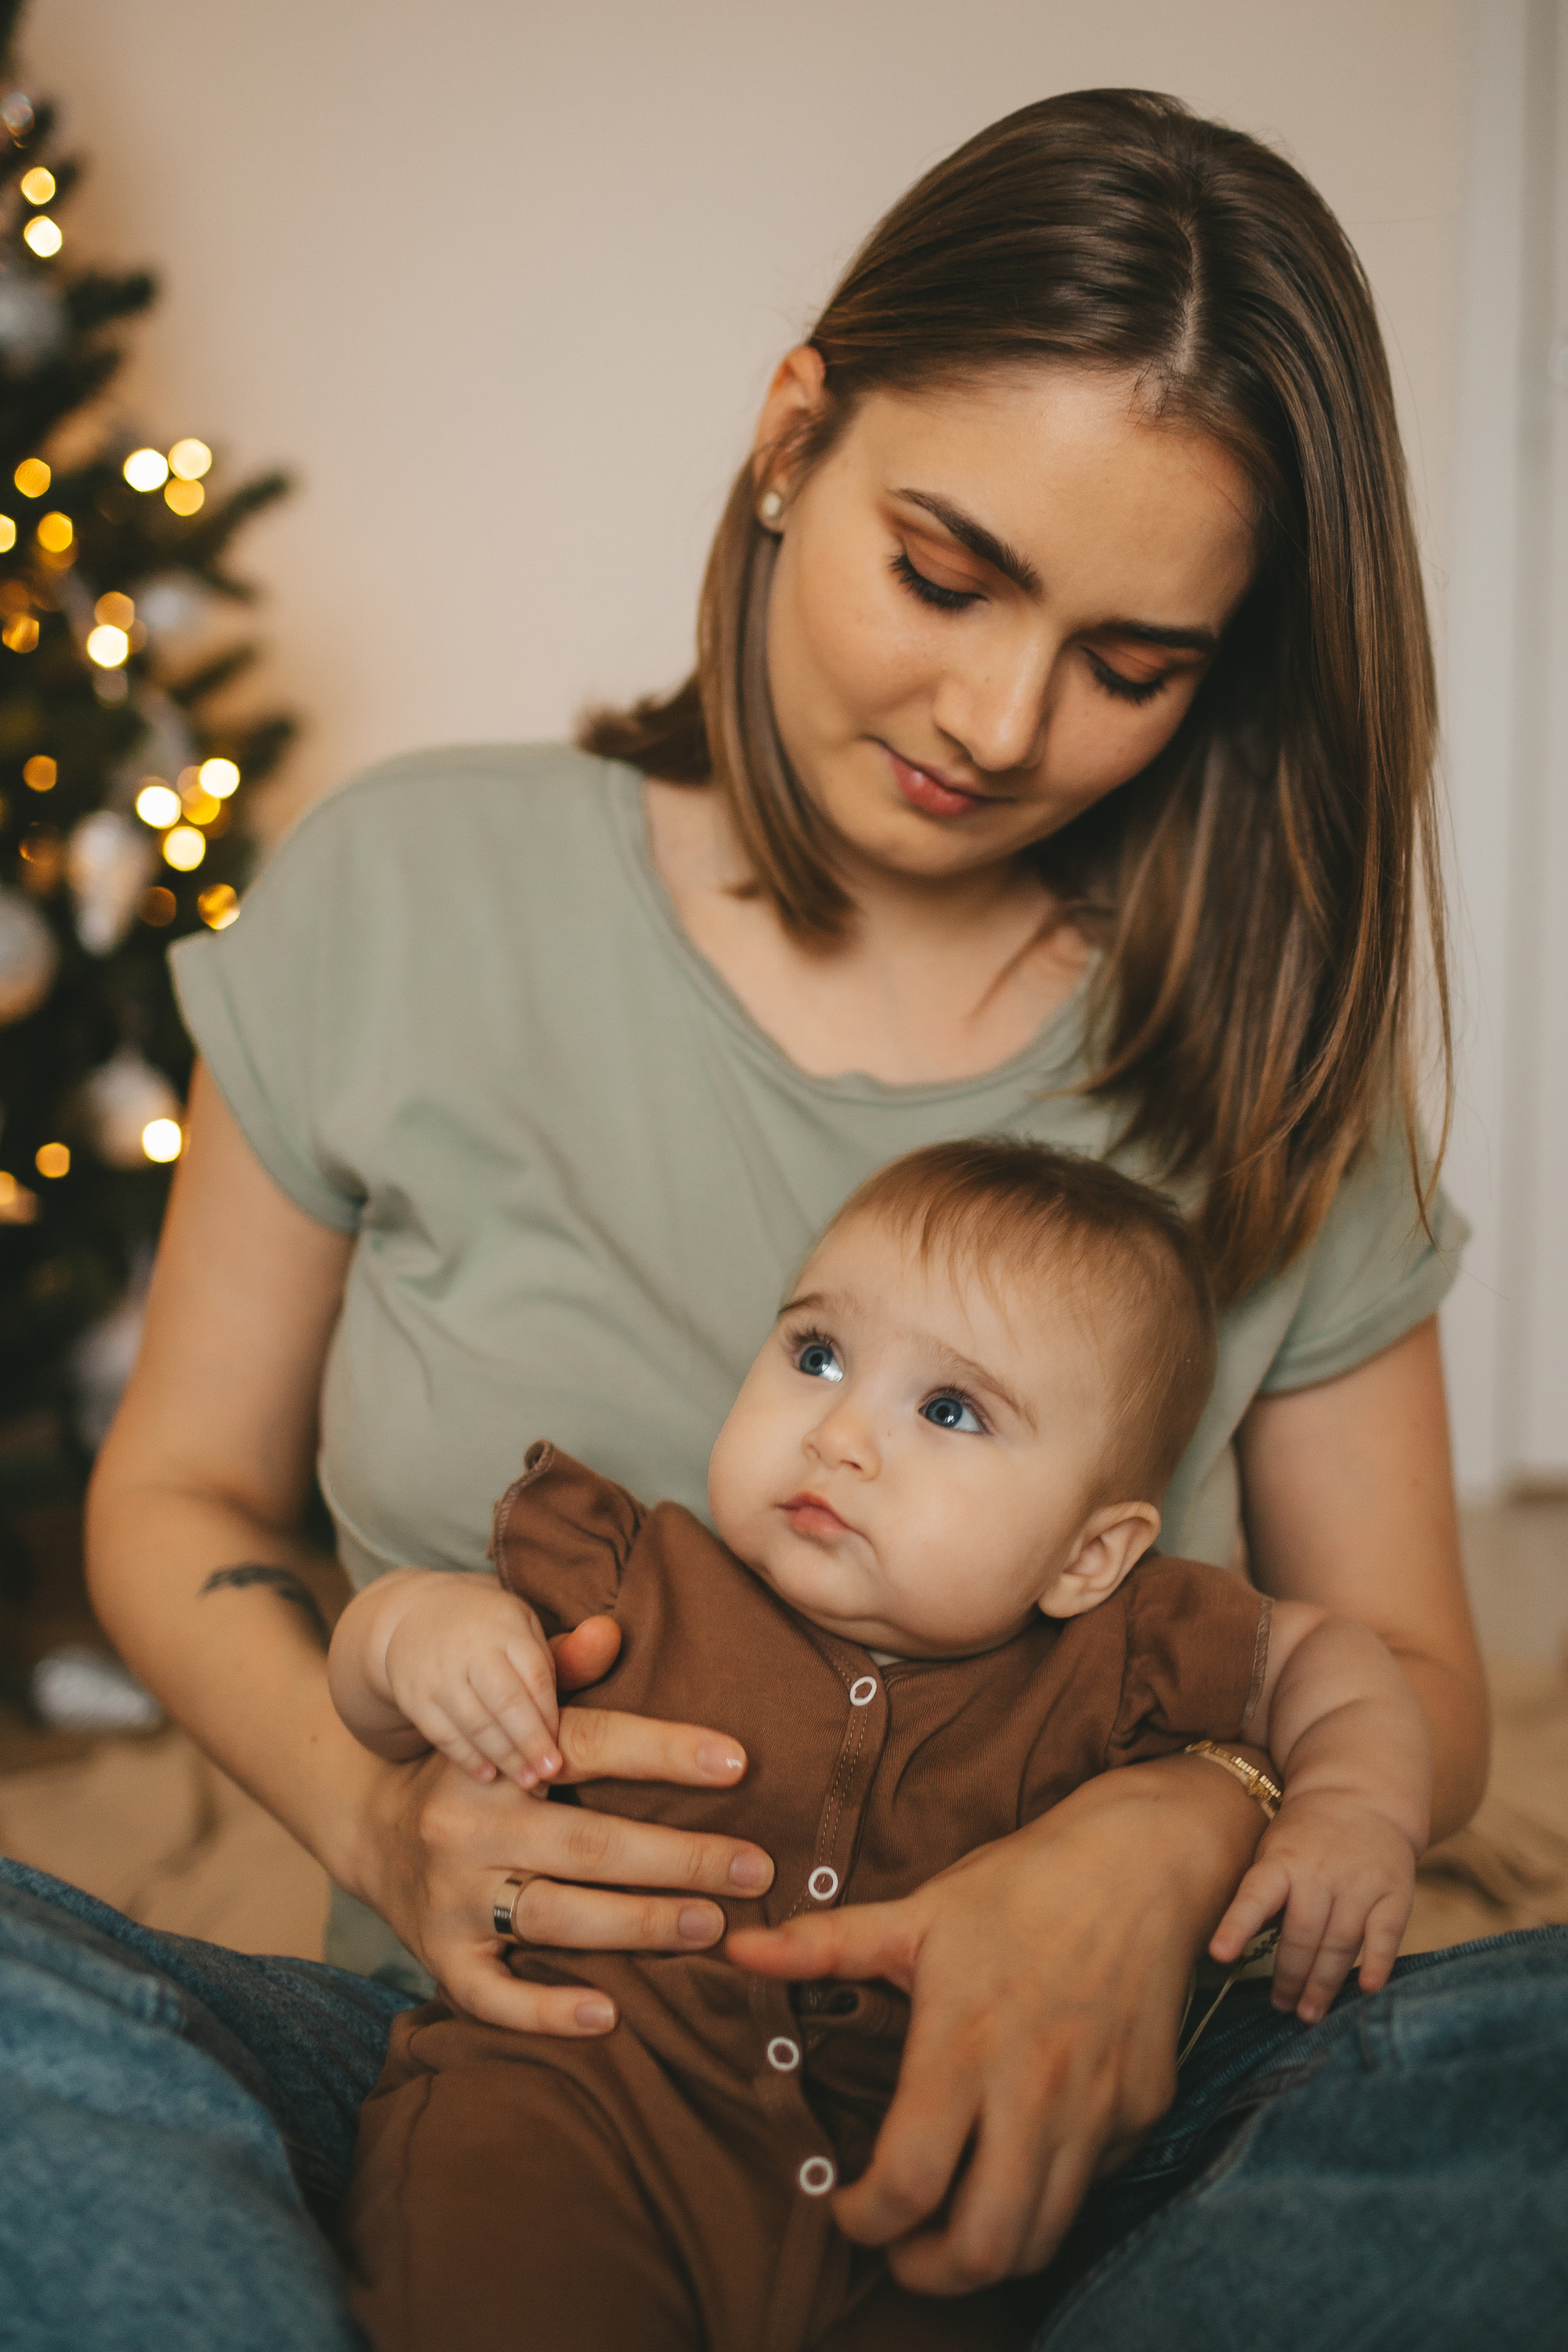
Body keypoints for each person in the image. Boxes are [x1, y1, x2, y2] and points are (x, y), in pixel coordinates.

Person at [4, 85, 1563, 2351]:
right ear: (791, 432)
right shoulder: (414, 885)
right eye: (947, 573)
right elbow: (178, 1495)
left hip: (1071, 2111)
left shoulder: (1258, 1049)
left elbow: (1412, 1672)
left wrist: (1164, 1843)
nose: (1002, 717)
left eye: (1136, 665)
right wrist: (382, 1827)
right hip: (513, 2066)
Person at [333, 1140, 1433, 2352]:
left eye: (948, 1409)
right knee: (493, 2279)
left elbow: (1331, 1662)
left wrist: (1353, 1808)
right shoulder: (636, 1575)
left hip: (927, 2177)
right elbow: (376, 1692)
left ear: (1086, 1557)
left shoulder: (1121, 1649)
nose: (840, 1434)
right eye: (816, 1356)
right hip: (581, 2108)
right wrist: (413, 1639)